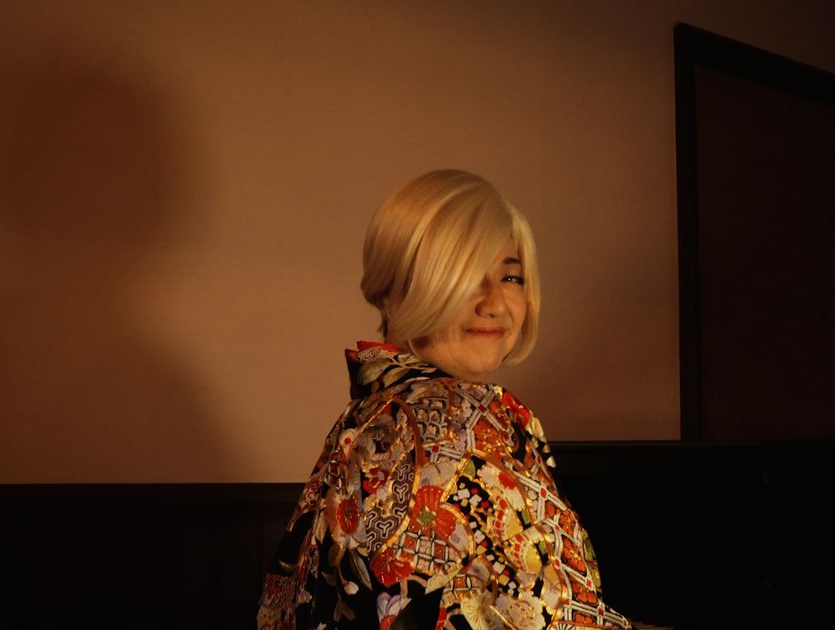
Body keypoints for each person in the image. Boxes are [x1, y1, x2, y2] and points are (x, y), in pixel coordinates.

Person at [257, 170, 631, 629]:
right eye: (465, 276)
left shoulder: (373, 411)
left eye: (511, 277)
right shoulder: (456, 421)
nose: (495, 304)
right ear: (398, 287)